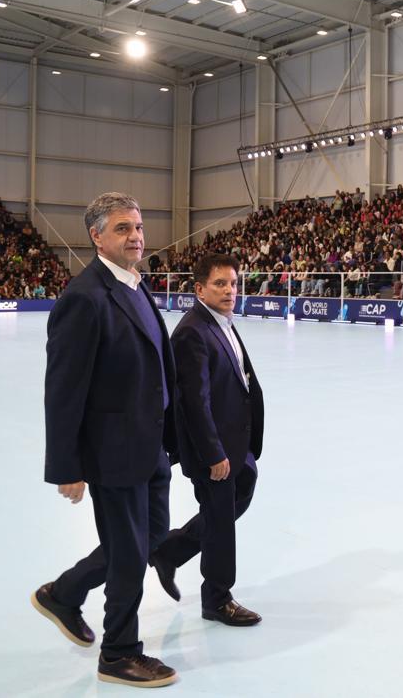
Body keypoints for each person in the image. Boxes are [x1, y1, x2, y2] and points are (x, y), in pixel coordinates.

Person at [33, 192, 179, 689]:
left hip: (150, 447)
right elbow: (63, 388)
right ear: (96, 236)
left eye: (138, 227)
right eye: (122, 228)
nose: (136, 236)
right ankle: (119, 653)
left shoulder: (135, 286)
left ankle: (65, 591)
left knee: (150, 539)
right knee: (130, 554)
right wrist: (67, 465)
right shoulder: (85, 296)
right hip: (113, 452)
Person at [150, 253, 266, 628]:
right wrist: (212, 452)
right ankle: (217, 597)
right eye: (220, 284)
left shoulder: (222, 322)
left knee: (237, 501)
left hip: (237, 441)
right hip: (214, 448)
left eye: (233, 283)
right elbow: (193, 402)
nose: (229, 290)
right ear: (199, 288)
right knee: (220, 520)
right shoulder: (191, 331)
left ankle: (170, 550)